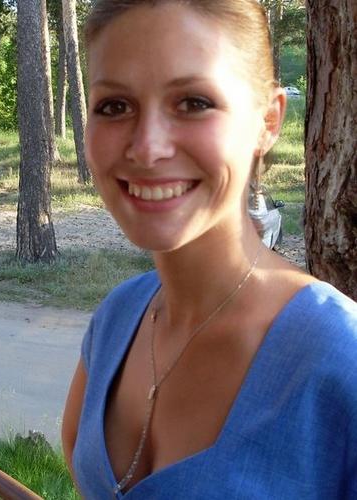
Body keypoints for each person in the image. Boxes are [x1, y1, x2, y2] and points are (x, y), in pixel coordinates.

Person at [62, 1, 357, 498]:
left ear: (267, 121)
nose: (147, 147)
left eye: (193, 102)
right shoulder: (116, 320)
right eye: (114, 106)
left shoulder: (341, 362)